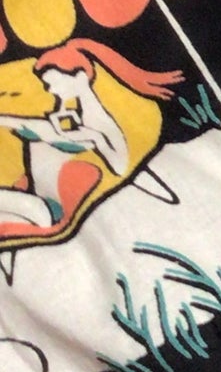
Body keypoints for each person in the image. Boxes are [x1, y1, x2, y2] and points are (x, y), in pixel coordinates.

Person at [0, 39, 180, 236]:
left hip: (44, 211)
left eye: (54, 83)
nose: (50, 90)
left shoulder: (101, 125)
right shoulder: (69, 118)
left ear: (79, 77)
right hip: (35, 205)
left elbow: (121, 168)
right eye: (48, 84)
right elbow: (34, 128)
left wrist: (95, 138)